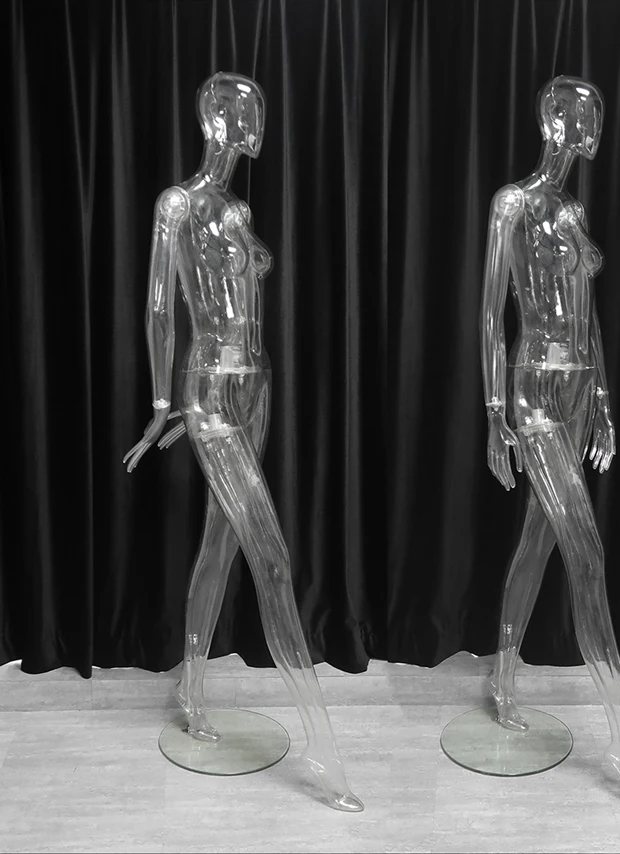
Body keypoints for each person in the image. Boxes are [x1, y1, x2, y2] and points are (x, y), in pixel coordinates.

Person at [124, 71, 363, 813]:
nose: (256, 123)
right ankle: (325, 752)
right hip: (208, 391)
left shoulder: (238, 207)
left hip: (257, 385)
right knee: (273, 557)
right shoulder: (178, 205)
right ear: (217, 120)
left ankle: (191, 686)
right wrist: (162, 406)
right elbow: (159, 307)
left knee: (219, 546)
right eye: (245, 111)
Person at [480, 75, 620, 812]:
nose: (593, 126)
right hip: (532, 387)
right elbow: (491, 317)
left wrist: (608, 403)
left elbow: (588, 317)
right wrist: (494, 411)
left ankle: (502, 670)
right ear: (554, 121)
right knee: (585, 551)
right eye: (583, 114)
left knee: (539, 540)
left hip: (581, 386)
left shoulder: (574, 210)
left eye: (596, 114)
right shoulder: (513, 204)